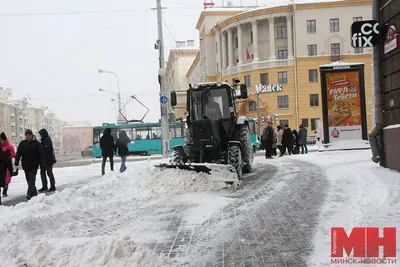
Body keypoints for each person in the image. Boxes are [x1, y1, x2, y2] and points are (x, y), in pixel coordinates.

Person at [15, 129, 45, 200]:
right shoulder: (22, 143)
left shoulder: (37, 144)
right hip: (25, 164)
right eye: (26, 136)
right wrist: (17, 160)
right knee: (28, 180)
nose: (28, 138)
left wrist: (42, 163)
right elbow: (19, 153)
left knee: (32, 179)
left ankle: (29, 194)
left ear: (32, 135)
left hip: (34, 164)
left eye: (29, 136)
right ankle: (34, 192)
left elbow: (41, 154)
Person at [0, 132, 15, 197]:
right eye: (0, 140)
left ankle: (5, 190)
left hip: (7, 165)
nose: (1, 141)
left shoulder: (9, 147)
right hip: (0, 166)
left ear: (5, 140)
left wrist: (9, 155)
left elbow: (14, 154)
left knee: (7, 179)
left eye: (2, 140)